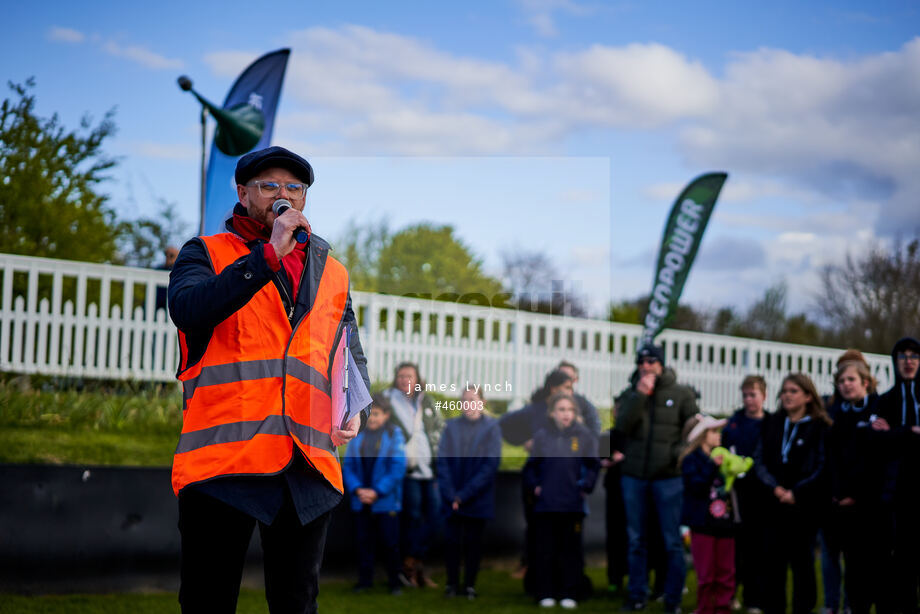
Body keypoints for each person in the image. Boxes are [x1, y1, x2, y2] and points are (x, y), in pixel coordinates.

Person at [167, 145, 369, 614]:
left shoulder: (332, 271)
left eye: (294, 187)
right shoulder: (206, 253)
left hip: (307, 462)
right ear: (243, 193)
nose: (284, 194)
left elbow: (348, 347)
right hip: (224, 463)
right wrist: (268, 255)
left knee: (298, 604)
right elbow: (188, 309)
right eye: (269, 186)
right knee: (208, 601)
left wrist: (357, 405)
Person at [615, 343, 698, 613]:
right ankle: (637, 594)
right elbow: (622, 427)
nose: (645, 366)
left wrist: (677, 455)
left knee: (671, 540)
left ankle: (672, 599)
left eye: (651, 361)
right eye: (641, 361)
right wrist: (640, 395)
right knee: (636, 539)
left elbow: (692, 433)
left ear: (661, 364)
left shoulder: (681, 393)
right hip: (634, 476)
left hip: (668, 477)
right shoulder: (629, 393)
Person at [754, 373, 831, 614]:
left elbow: (823, 465)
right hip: (773, 504)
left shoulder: (821, 427)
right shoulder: (772, 422)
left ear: (808, 396)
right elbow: (759, 460)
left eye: (793, 391)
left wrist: (797, 492)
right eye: (784, 391)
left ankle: (803, 609)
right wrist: (774, 488)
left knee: (803, 565)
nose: (787, 395)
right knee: (772, 565)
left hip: (803, 506)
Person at [498, 369, 577, 585]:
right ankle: (529, 566)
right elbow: (502, 424)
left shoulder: (574, 414)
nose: (571, 392)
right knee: (535, 527)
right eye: (567, 387)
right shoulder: (535, 411)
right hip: (537, 480)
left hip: (563, 482)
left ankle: (558, 573)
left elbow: (587, 439)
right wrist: (523, 441)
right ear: (554, 388)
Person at [523, 393, 600, 609]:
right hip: (546, 505)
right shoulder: (542, 436)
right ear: (552, 413)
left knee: (571, 550)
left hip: (572, 505)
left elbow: (593, 466)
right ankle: (546, 592)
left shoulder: (584, 436)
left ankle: (570, 592)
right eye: (561, 410)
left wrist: (584, 486)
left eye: (570, 410)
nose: (566, 414)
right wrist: (536, 486)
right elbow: (530, 468)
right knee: (545, 550)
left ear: (575, 413)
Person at [825, 360, 884, 614]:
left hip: (870, 503)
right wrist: (839, 494)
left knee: (871, 564)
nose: (846, 385)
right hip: (841, 503)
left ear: (865, 383)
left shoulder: (880, 410)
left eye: (851, 380)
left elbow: (875, 461)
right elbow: (833, 457)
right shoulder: (837, 414)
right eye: (841, 381)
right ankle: (851, 605)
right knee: (849, 560)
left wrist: (856, 495)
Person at [382, 362, 444, 588]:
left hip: (430, 470)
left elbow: (439, 428)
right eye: (400, 376)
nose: (404, 379)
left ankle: (411, 562)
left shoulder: (426, 400)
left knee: (436, 516)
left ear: (417, 378)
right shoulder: (387, 399)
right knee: (413, 517)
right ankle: (414, 570)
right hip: (407, 472)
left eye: (409, 375)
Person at [437, 385, 502, 600]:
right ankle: (452, 584)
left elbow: (490, 466)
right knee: (452, 543)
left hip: (477, 498)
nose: (469, 404)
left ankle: (470, 585)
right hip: (451, 496)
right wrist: (450, 494)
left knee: (474, 544)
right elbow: (443, 461)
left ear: (482, 402)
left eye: (473, 399)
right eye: (465, 400)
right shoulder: (451, 427)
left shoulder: (492, 428)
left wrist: (463, 495)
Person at [342, 393, 407, 595]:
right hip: (361, 500)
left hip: (385, 501)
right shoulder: (358, 435)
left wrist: (377, 491)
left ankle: (395, 582)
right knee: (364, 543)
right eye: (370, 414)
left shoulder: (393, 434)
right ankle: (364, 582)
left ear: (386, 415)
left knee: (390, 543)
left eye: (377, 414)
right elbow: (349, 466)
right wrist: (358, 489)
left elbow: (397, 467)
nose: (372, 418)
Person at [877, 336, 920, 612]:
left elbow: (889, 435)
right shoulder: (885, 401)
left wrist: (895, 433)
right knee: (899, 558)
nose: (908, 361)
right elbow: (879, 441)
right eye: (902, 356)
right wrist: (909, 431)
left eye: (914, 355)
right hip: (895, 491)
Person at [679, 415, 736, 614]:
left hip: (725, 524)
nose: (718, 435)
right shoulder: (691, 460)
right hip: (702, 524)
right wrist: (713, 467)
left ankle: (722, 607)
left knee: (726, 571)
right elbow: (696, 486)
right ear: (701, 436)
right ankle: (705, 608)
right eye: (713, 431)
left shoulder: (723, 455)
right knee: (706, 573)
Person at [721, 375, 768, 614]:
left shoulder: (771, 423)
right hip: (737, 494)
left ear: (764, 396)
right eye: (746, 395)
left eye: (753, 395)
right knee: (735, 548)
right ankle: (730, 594)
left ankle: (754, 599)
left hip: (761, 493)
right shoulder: (734, 423)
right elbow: (723, 450)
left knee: (757, 549)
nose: (749, 400)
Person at [557, 360, 602, 435]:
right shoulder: (543, 402)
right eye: (560, 376)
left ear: (575, 379)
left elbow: (595, 432)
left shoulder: (585, 405)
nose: (563, 380)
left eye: (567, 377)